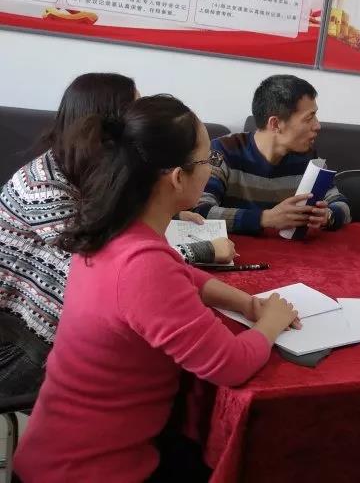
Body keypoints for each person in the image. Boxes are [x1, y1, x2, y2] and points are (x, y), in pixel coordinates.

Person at [14, 95, 299, 482]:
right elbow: (229, 364)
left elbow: (181, 273)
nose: (211, 168)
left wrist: (245, 302)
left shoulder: (115, 229)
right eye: (208, 160)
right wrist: (271, 323)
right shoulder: (142, 266)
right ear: (177, 177)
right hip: (91, 470)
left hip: (58, 450)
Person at [0, 73, 232, 398]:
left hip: (48, 332)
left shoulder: (85, 170)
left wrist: (173, 209)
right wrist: (205, 250)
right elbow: (113, 268)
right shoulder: (43, 188)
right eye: (135, 111)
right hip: (21, 344)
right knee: (164, 376)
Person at [196, 74, 351, 235]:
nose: (317, 125)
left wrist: (328, 216)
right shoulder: (222, 151)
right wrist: (265, 219)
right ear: (275, 124)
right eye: (309, 118)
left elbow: (342, 205)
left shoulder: (309, 159)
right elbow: (198, 211)